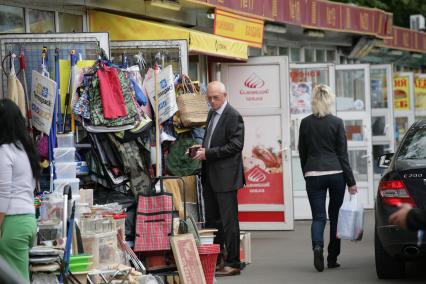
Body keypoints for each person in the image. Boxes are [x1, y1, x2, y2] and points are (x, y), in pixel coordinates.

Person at [298, 84, 358, 272]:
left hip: (313, 174)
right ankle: (332, 258)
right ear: (330, 100)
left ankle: (318, 246)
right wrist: (351, 182)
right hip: (336, 174)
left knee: (318, 217)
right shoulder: (337, 122)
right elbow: (342, 155)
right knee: (335, 217)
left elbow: (302, 151)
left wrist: (306, 173)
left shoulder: (305, 122)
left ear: (313, 100)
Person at [192, 81, 245, 276]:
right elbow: (211, 140)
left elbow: (235, 146)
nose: (212, 101)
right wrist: (200, 150)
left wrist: (209, 153)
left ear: (225, 95)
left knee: (229, 221)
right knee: (213, 221)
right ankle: (216, 258)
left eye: (216, 98)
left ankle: (233, 262)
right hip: (211, 175)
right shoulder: (211, 113)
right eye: (209, 98)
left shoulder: (233, 115)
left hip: (226, 177)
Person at [0, 99, 40, 282]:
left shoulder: (5, 151)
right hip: (28, 220)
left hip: (11, 223)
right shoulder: (26, 149)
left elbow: (3, 194)